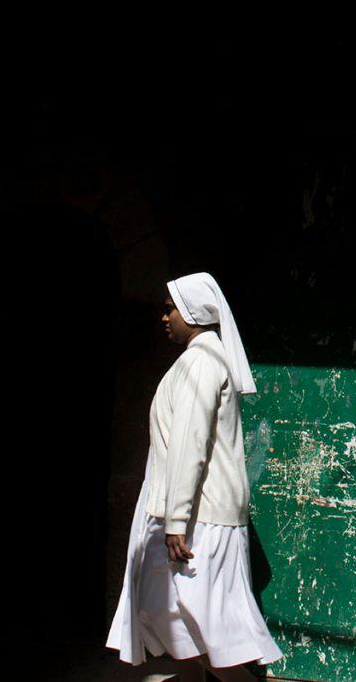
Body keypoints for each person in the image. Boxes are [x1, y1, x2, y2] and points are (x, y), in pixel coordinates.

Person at [106, 272, 284, 682]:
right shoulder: (198, 360)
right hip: (191, 518)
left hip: (197, 521)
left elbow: (190, 445)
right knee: (176, 621)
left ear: (193, 311)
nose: (164, 317)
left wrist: (175, 522)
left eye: (169, 309)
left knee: (201, 629)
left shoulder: (201, 363)